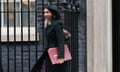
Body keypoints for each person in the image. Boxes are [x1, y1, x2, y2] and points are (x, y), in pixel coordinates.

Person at [31, 6, 69, 72]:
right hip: (49, 54)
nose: (45, 14)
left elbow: (61, 41)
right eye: (44, 12)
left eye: (47, 12)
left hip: (56, 54)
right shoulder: (47, 24)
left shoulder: (57, 24)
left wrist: (61, 56)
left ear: (52, 13)